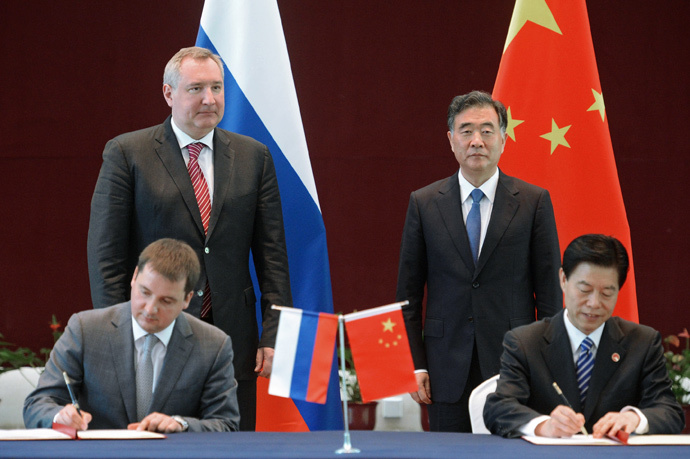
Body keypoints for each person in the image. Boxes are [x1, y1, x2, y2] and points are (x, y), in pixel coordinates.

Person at [86, 47, 293, 430]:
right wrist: (118, 336)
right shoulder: (128, 153)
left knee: (232, 446)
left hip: (233, 338)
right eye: (196, 88)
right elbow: (106, 257)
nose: (209, 99)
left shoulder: (254, 157)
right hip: (151, 334)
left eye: (217, 87)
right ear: (169, 94)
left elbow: (273, 255)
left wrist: (274, 333)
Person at [396, 90, 562, 432]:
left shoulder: (533, 202)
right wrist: (414, 364)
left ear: (503, 138)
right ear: (451, 140)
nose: (477, 141)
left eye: (487, 131)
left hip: (515, 364)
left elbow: (549, 294)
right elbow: (408, 296)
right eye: (466, 130)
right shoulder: (424, 203)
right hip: (444, 368)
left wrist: (545, 365)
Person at [24, 239, 240, 432]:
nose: (150, 309)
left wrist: (181, 424)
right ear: (134, 277)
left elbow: (226, 424)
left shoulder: (214, 345)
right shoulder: (86, 329)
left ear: (187, 299)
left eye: (166, 301)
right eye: (144, 292)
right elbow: (38, 404)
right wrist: (59, 416)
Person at [484, 234, 685, 438]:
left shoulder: (642, 343)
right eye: (584, 290)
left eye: (607, 293)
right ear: (563, 280)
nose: (594, 303)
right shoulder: (525, 342)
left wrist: (634, 418)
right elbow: (499, 408)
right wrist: (544, 426)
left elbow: (669, 411)